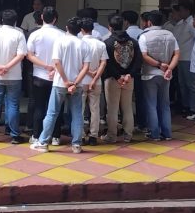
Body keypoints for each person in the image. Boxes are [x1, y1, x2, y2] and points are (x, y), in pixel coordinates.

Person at [30, 17, 90, 154]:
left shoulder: (60, 41)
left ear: (67, 28)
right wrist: (75, 83)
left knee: (52, 113)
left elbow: (57, 62)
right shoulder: (83, 44)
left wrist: (65, 80)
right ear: (80, 30)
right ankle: (76, 144)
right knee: (77, 114)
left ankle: (43, 142)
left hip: (59, 83)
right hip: (77, 85)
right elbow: (86, 67)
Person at [0, 9, 27, 144]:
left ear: (1, 20)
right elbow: (21, 55)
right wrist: (6, 67)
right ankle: (14, 135)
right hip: (14, 76)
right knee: (13, 105)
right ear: (15, 21)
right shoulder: (19, 34)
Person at [138, 10, 180, 141]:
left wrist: (158, 65)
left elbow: (144, 56)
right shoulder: (170, 35)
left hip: (149, 74)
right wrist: (169, 68)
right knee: (165, 105)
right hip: (166, 75)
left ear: (149, 22)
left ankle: (154, 133)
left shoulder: (144, 36)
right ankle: (167, 133)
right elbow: (177, 54)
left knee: (151, 104)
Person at [26, 6, 65, 144]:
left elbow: (29, 55)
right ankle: (56, 136)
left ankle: (36, 135)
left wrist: (45, 66)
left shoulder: (35, 34)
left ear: (42, 17)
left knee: (39, 106)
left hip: (39, 75)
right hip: (57, 76)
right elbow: (63, 57)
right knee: (57, 108)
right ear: (55, 19)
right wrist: (54, 68)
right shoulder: (62, 35)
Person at [102, 15, 142, 143]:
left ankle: (112, 135)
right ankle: (128, 135)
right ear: (124, 25)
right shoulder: (133, 42)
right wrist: (130, 74)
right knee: (127, 107)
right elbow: (138, 61)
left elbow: (107, 63)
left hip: (113, 79)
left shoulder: (107, 43)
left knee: (112, 109)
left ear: (110, 27)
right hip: (129, 79)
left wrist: (117, 76)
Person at [79, 17, 108, 145]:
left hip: (81, 80)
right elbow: (103, 63)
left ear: (81, 29)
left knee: (80, 109)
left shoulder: (79, 43)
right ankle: (93, 136)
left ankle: (80, 135)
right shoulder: (100, 44)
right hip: (96, 81)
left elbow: (79, 63)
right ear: (92, 29)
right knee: (95, 109)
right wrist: (95, 77)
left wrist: (88, 72)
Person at [172, 3, 195, 115]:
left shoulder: (192, 23)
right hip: (181, 57)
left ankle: (193, 107)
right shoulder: (182, 23)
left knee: (190, 84)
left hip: (189, 58)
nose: (180, 13)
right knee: (182, 84)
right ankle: (185, 105)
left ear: (187, 11)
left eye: (182, 10)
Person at [121, 10, 146, 131]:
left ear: (125, 21)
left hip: (126, 71)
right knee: (140, 97)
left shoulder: (124, 34)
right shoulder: (143, 33)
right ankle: (141, 122)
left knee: (126, 99)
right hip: (140, 69)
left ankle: (126, 122)